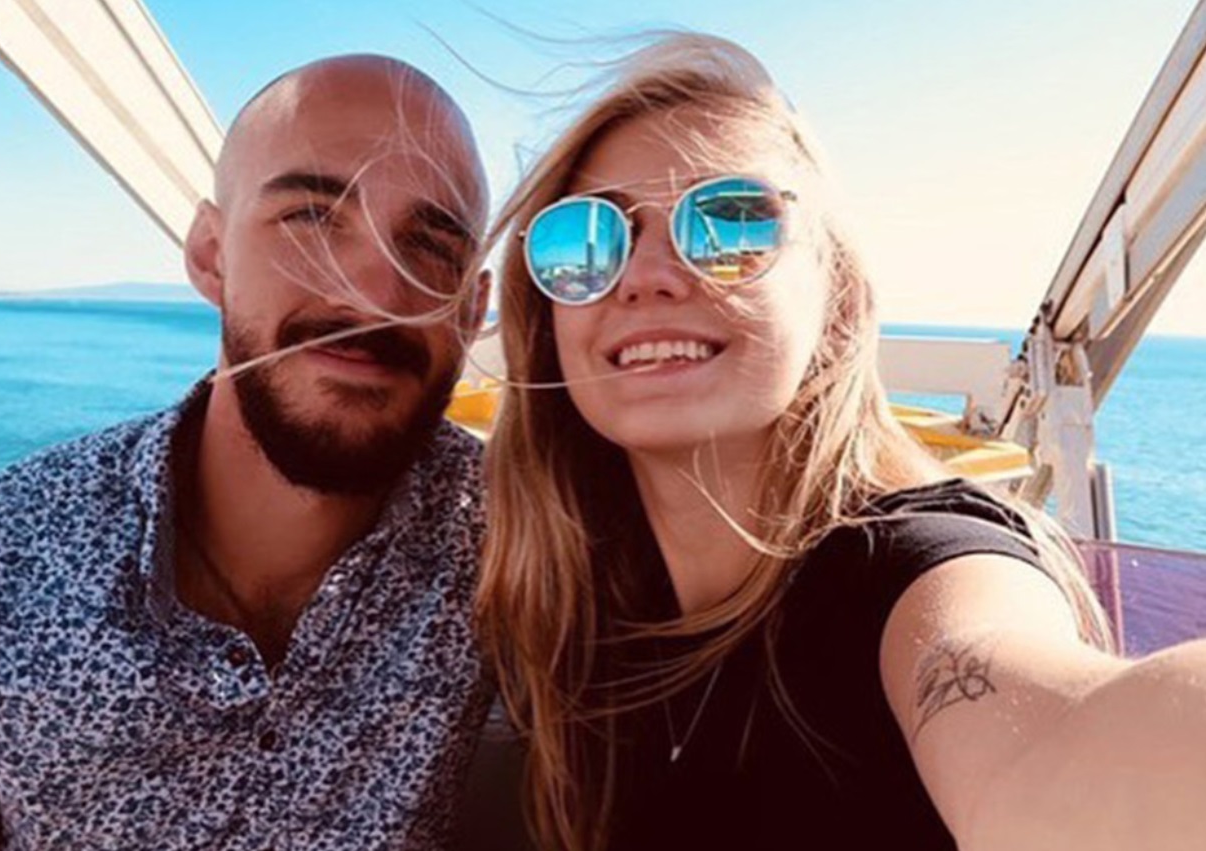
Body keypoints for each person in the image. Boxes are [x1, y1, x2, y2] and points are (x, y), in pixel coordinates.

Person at [475, 33, 1206, 851]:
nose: (646, 273)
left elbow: (1042, 736)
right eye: (585, 239)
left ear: (839, 299)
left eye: (729, 224)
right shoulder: (576, 597)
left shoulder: (909, 570)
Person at [0, 55, 493, 849]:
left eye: (429, 244)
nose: (372, 293)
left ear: (473, 307)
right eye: (311, 217)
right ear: (210, 255)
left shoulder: (507, 539)